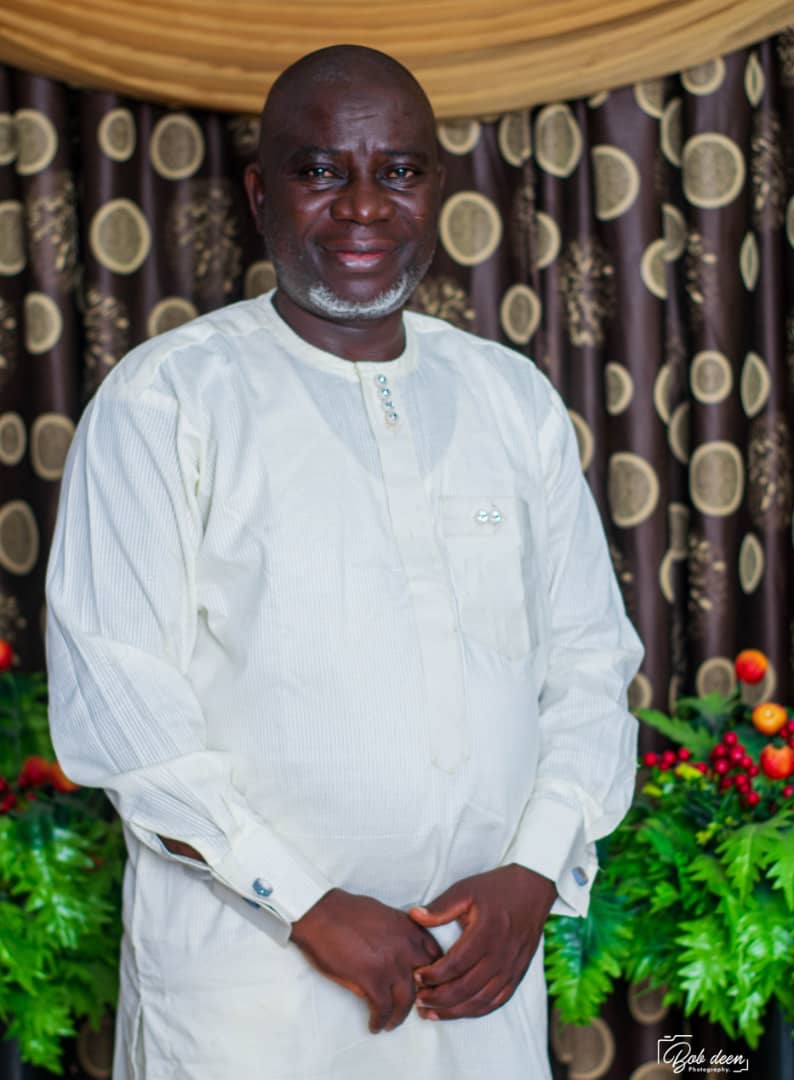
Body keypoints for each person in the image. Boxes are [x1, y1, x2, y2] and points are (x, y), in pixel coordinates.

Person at [46, 44, 643, 1080]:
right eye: (321, 171)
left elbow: (591, 664)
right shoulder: (164, 402)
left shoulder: (510, 401)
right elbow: (124, 710)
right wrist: (306, 904)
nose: (364, 206)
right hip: (249, 995)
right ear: (259, 194)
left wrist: (535, 872)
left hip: (477, 981)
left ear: (435, 189)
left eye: (398, 171)